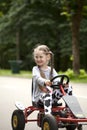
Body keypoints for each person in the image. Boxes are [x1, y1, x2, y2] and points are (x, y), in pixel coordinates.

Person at [32, 44, 72, 114]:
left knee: (69, 88)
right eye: (36, 57)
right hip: (39, 98)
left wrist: (63, 84)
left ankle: (69, 110)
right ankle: (48, 116)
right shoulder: (35, 69)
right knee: (47, 95)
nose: (38, 59)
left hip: (51, 96)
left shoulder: (51, 70)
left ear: (48, 57)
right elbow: (37, 78)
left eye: (41, 57)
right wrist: (45, 81)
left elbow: (57, 80)